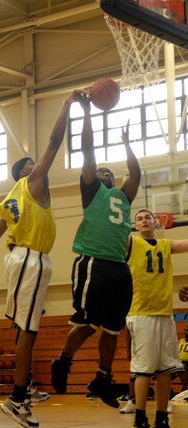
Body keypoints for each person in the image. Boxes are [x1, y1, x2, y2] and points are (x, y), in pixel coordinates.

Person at [0, 90, 79, 428]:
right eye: (32, 163)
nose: (40, 163)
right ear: (25, 173)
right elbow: (54, 141)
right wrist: (65, 105)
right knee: (28, 329)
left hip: (29, 262)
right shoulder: (31, 183)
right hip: (29, 260)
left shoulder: (14, 199)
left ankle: (21, 394)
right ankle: (18, 395)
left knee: (28, 330)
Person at [51, 93, 141, 408]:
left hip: (118, 267)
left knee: (114, 327)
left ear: (114, 179)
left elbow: (136, 175)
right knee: (88, 322)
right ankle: (63, 360)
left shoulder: (123, 197)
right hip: (92, 263)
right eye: (99, 171)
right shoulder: (91, 192)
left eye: (108, 171)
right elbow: (88, 149)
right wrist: (87, 113)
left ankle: (103, 377)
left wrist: (128, 144)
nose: (103, 172)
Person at [126, 208, 188, 428]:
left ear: (156, 222)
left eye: (147, 217)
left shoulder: (165, 245)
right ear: (135, 225)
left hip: (164, 314)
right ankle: (140, 421)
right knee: (143, 369)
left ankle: (161, 420)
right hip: (141, 313)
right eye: (139, 218)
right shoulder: (131, 244)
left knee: (166, 369)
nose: (143, 221)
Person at [177, 322, 188, 392]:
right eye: (186, 330)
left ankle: (184, 387)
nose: (186, 332)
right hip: (178, 362)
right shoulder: (181, 340)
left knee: (184, 367)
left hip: (186, 363)